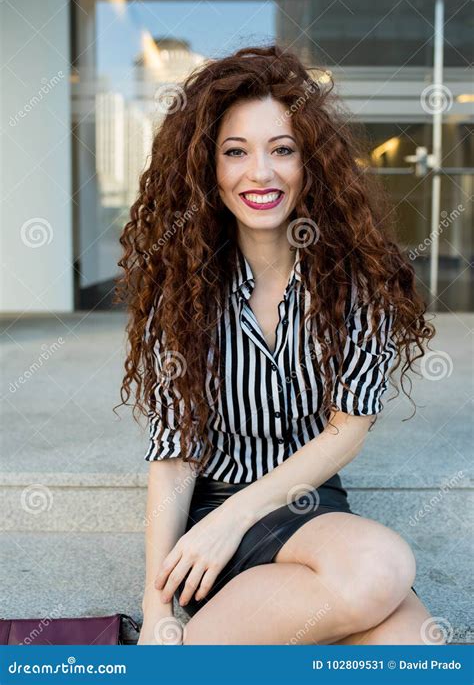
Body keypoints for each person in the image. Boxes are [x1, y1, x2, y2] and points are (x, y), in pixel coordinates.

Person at [115, 45, 442, 646]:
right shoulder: (184, 292)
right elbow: (176, 451)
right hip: (212, 515)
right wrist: (156, 601)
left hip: (305, 501)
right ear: (207, 169)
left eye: (282, 150)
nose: (259, 173)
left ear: (310, 162)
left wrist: (238, 518)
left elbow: (346, 430)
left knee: (415, 647)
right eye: (235, 152)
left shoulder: (354, 279)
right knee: (379, 567)